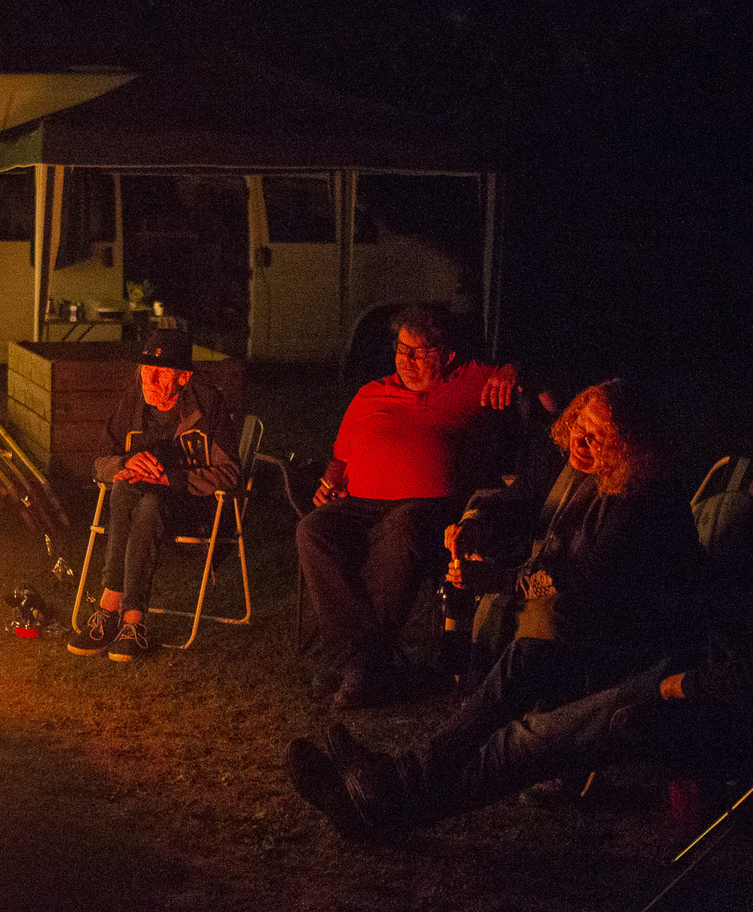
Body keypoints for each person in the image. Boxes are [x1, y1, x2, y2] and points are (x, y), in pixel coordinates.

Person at [287, 574, 749, 841]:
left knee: (524, 740)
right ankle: (389, 791)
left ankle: (384, 798)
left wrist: (685, 683)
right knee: (528, 659)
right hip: (688, 662)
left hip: (711, 707)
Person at [298, 305, 517, 706]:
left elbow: (536, 392)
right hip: (360, 503)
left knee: (404, 525)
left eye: (419, 352)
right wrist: (330, 481)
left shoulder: (472, 381)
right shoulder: (370, 392)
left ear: (446, 354)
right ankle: (363, 659)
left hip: (429, 508)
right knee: (313, 528)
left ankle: (351, 661)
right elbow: (340, 455)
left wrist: (512, 371)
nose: (407, 360)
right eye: (402, 349)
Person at [444, 379, 704, 692]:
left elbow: (585, 575)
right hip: (563, 586)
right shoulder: (566, 461)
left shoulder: (642, 495)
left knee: (544, 614)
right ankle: (472, 681)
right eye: (579, 425)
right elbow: (520, 497)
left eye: (597, 438)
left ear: (627, 446)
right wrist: (474, 524)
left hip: (622, 626)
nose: (579, 441)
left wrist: (501, 579)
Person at [66, 327, 238, 662]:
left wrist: (169, 479)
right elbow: (100, 463)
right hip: (140, 500)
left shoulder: (207, 405)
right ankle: (121, 615)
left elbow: (229, 473)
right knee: (126, 488)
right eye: (146, 370)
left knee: (147, 502)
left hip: (194, 508)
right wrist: (127, 461)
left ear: (183, 377)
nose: (149, 379)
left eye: (160, 373)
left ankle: (122, 615)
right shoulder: (134, 400)